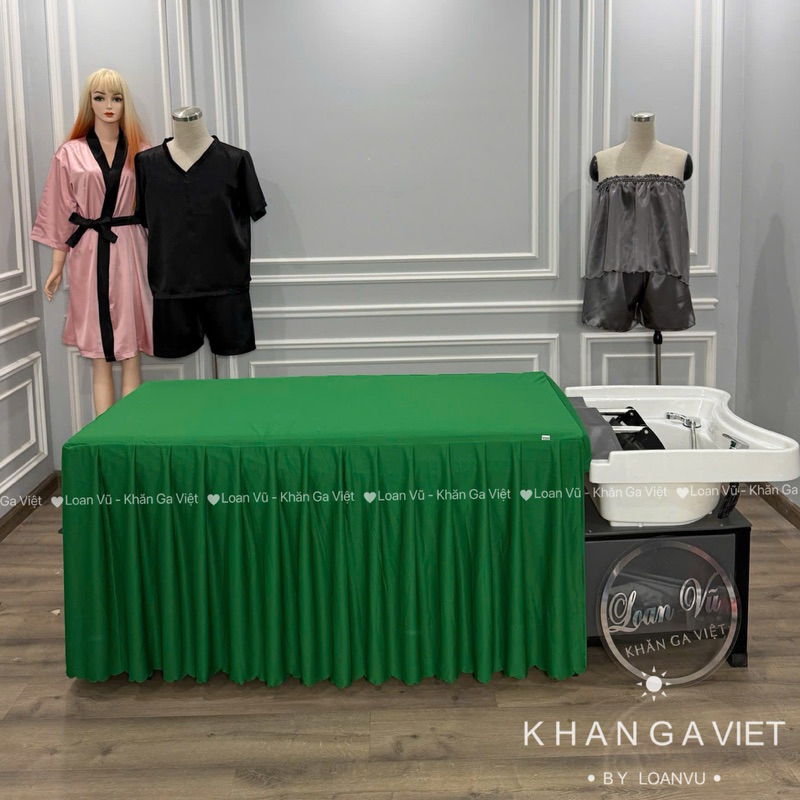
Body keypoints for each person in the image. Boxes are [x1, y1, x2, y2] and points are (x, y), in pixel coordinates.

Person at [32, 68, 152, 415]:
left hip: (131, 249)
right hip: (88, 251)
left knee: (130, 351)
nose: (108, 105)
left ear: (125, 103)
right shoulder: (70, 153)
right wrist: (57, 264)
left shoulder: (142, 153)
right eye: (99, 97)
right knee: (100, 355)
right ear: (90, 102)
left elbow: (156, 209)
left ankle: (131, 435)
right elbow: (59, 209)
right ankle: (105, 438)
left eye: (116, 98)